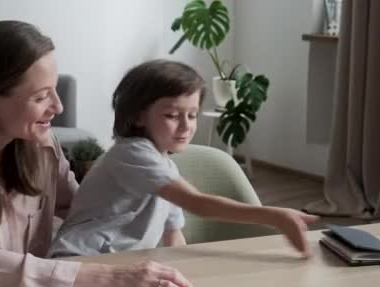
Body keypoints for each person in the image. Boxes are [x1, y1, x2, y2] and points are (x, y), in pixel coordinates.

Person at [0, 21, 196, 287]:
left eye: (55, 89)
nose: (58, 106)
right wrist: (111, 276)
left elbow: (81, 213)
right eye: (41, 96)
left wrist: (137, 206)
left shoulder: (42, 144)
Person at [48, 59, 319, 258]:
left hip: (118, 263)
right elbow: (198, 204)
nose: (186, 126)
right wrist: (275, 217)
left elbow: (173, 234)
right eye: (172, 115)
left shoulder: (165, 167)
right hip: (78, 258)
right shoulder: (132, 153)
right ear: (139, 116)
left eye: (192, 115)